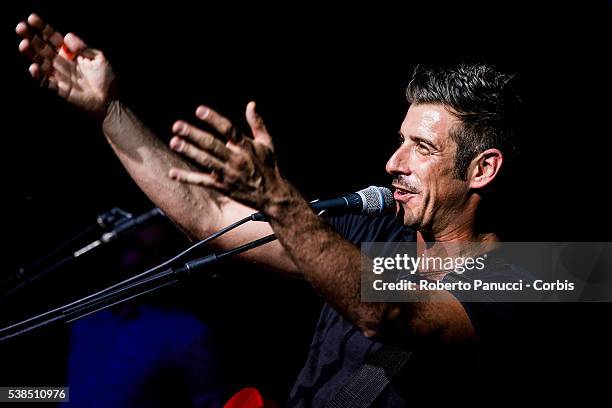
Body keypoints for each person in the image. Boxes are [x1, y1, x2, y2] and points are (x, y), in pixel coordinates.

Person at [16, 13, 530, 406]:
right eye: (400, 141)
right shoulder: (372, 231)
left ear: (482, 169)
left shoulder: (541, 279)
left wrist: (280, 200)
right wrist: (109, 110)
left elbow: (386, 312)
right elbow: (210, 214)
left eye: (422, 147)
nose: (392, 162)